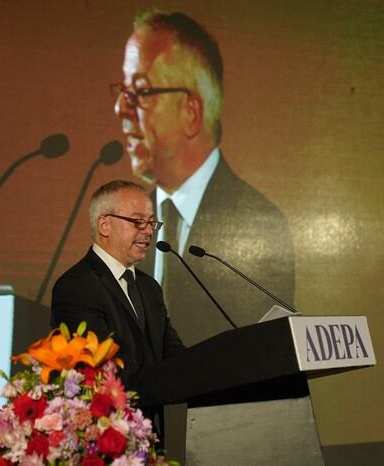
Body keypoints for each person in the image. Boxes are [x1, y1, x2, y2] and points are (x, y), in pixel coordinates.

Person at [112, 10, 295, 346]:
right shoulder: (127, 221)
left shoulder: (260, 221)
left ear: (191, 112)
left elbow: (259, 352)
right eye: (122, 92)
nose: (120, 109)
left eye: (139, 92)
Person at [50, 179, 185, 388]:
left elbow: (173, 354)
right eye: (138, 222)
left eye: (151, 222)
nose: (149, 231)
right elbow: (101, 371)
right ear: (105, 225)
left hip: (151, 419)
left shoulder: (150, 287)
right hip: (109, 417)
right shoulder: (76, 287)